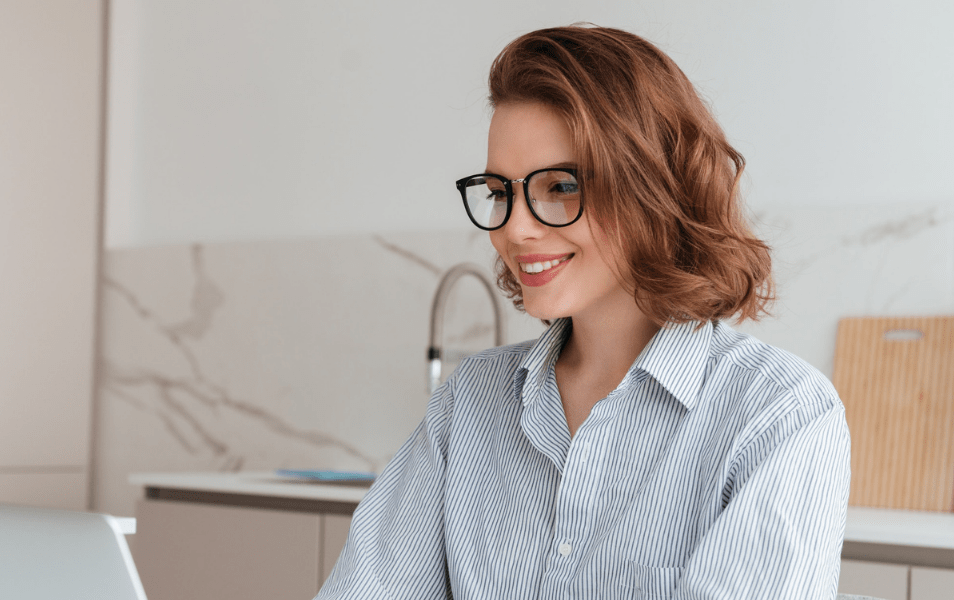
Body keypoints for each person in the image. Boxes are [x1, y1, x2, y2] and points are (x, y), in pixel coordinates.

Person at [315, 25, 849, 599]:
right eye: (500, 192)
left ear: (655, 188)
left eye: (561, 186)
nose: (516, 229)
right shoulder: (468, 403)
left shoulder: (778, 414)